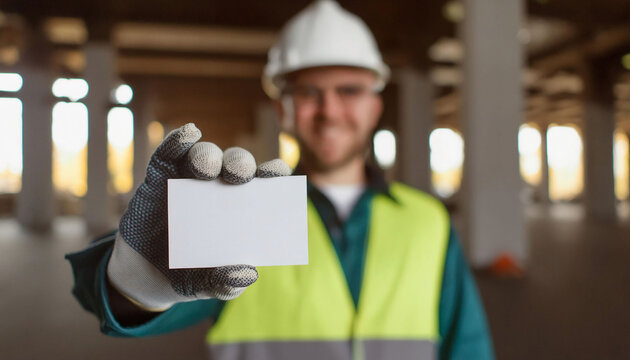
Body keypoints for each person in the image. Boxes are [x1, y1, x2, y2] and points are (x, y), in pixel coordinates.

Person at [66, 1, 494, 359]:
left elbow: (468, 348)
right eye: (308, 92)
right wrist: (132, 283)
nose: (329, 111)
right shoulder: (242, 210)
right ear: (283, 110)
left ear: (375, 106)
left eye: (349, 90)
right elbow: (115, 304)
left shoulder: (429, 221)